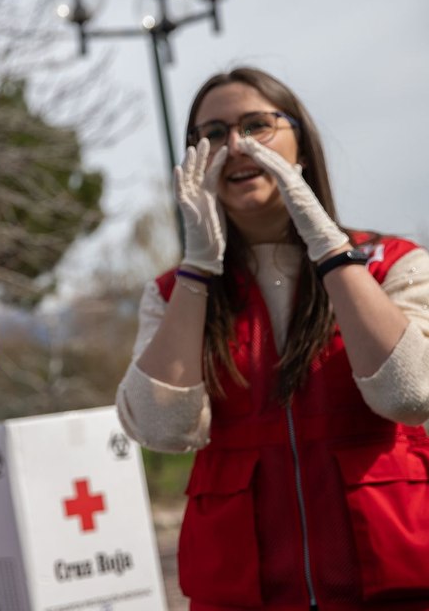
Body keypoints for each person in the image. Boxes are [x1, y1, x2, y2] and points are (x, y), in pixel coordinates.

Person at [115, 67, 429, 610]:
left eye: (256, 125)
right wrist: (198, 268)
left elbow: (411, 394)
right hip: (246, 595)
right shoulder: (171, 294)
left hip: (391, 586)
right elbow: (161, 429)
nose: (236, 146)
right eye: (213, 134)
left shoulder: (393, 263)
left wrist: (327, 245)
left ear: (300, 140)